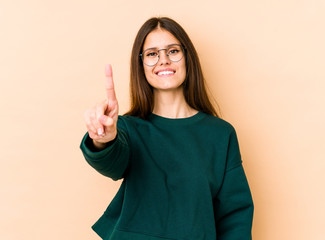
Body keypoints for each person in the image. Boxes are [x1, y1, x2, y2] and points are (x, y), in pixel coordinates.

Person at [80, 17, 254, 240]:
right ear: (141, 65)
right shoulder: (128, 128)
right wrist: (103, 138)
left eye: (172, 51)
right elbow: (112, 162)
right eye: (152, 54)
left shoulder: (221, 134)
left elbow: (235, 216)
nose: (163, 60)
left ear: (187, 58)